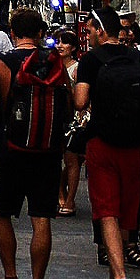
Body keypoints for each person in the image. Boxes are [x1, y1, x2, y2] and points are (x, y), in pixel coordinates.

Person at [74, 5, 140, 279]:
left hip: (103, 143)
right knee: (127, 211)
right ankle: (123, 262)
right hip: (138, 146)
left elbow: (81, 102)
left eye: (89, 31)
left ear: (100, 31)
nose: (87, 36)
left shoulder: (90, 60)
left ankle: (119, 278)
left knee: (107, 211)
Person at [0, 8, 72, 279]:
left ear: (12, 31)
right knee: (41, 218)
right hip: (48, 150)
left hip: (12, 149)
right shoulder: (56, 62)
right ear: (41, 32)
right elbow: (69, 103)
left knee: (2, 212)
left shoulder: (0, 63)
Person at [56, 28, 85, 216]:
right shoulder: (51, 66)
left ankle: (70, 199)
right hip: (56, 118)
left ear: (73, 47)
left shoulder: (77, 69)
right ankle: (60, 195)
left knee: (73, 160)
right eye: (58, 42)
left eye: (65, 42)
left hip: (74, 119)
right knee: (56, 159)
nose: (60, 46)